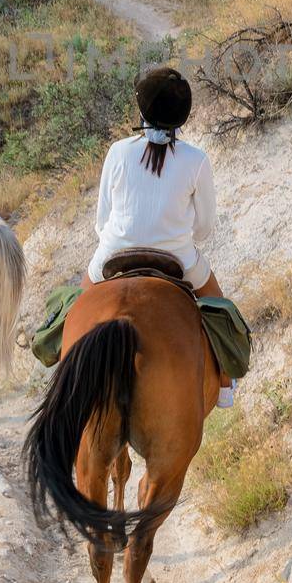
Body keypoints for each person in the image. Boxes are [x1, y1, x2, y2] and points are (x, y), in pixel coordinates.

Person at [84, 65, 234, 405]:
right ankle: (225, 386)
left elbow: (101, 219)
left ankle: (64, 371)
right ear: (183, 114)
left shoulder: (118, 151)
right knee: (224, 313)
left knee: (71, 312)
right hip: (178, 258)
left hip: (113, 252)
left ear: (142, 110)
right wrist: (179, 234)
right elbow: (205, 228)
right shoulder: (196, 159)